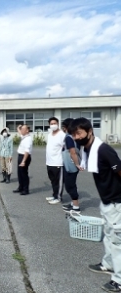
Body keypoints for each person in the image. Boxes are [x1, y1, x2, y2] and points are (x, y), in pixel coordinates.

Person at [70, 117, 121, 293]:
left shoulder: (104, 150)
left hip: (117, 201)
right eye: (73, 135)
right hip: (106, 200)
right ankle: (108, 264)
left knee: (117, 241)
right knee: (108, 235)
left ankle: (119, 280)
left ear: (90, 132)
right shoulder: (87, 149)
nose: (76, 137)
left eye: (79, 133)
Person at [61, 118, 83, 212]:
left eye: (63, 127)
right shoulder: (75, 136)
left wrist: (77, 164)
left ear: (66, 127)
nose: (62, 128)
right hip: (72, 164)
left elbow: (73, 152)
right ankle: (73, 203)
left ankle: (76, 207)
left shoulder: (69, 137)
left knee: (70, 185)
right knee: (71, 184)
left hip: (71, 164)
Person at [45, 117, 66, 204]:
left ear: (58, 124)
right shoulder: (50, 134)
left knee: (58, 181)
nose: (53, 125)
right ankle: (54, 195)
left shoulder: (62, 134)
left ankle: (58, 197)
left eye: (54, 123)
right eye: (51, 124)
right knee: (53, 180)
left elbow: (65, 148)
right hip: (49, 162)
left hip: (58, 162)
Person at [13, 124, 33, 195]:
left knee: (24, 174)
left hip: (25, 157)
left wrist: (23, 161)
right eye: (21, 129)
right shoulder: (24, 137)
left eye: (23, 129)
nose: (21, 130)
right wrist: (18, 127)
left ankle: (25, 189)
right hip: (20, 156)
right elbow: (20, 132)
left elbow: (27, 151)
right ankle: (20, 187)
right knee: (19, 173)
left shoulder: (28, 139)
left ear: (27, 130)